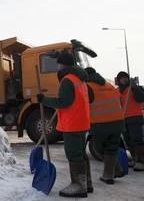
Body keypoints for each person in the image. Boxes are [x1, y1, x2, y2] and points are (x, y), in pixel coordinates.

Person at [37, 51, 92, 198]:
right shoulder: (80, 79)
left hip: (73, 124)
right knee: (81, 154)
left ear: (61, 64)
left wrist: (44, 100)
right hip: (82, 122)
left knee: (74, 155)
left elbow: (64, 102)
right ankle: (87, 183)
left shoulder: (67, 80)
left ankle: (78, 186)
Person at [85, 67, 124, 184]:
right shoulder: (109, 85)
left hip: (101, 123)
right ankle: (110, 175)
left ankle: (115, 170)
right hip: (118, 122)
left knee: (98, 148)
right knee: (111, 148)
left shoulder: (87, 87)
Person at [116, 71, 144, 171]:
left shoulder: (134, 88)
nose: (124, 79)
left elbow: (142, 98)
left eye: (125, 78)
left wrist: (134, 87)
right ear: (118, 80)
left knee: (137, 140)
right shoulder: (117, 91)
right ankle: (134, 158)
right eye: (122, 78)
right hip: (123, 119)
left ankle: (140, 161)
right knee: (128, 140)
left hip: (135, 118)